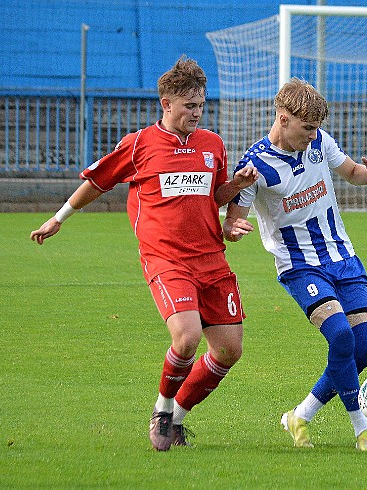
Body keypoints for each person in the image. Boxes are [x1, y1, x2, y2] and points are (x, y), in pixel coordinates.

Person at [30, 55, 258, 451]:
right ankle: (162, 410)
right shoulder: (138, 145)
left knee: (229, 350)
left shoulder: (212, 145)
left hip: (211, 259)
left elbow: (214, 196)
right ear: (166, 104)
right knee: (186, 339)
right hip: (166, 259)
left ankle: (178, 419)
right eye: (189, 106)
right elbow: (98, 182)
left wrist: (235, 184)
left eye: (201, 105)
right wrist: (58, 218)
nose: (197, 113)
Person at [222, 78, 367, 452]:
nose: (312, 135)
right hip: (300, 266)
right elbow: (231, 219)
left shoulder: (320, 142)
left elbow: (353, 173)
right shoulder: (255, 165)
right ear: (283, 119)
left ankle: (300, 415)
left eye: (316, 128)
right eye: (306, 127)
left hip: (343, 257)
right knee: (340, 336)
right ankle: (361, 429)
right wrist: (234, 228)